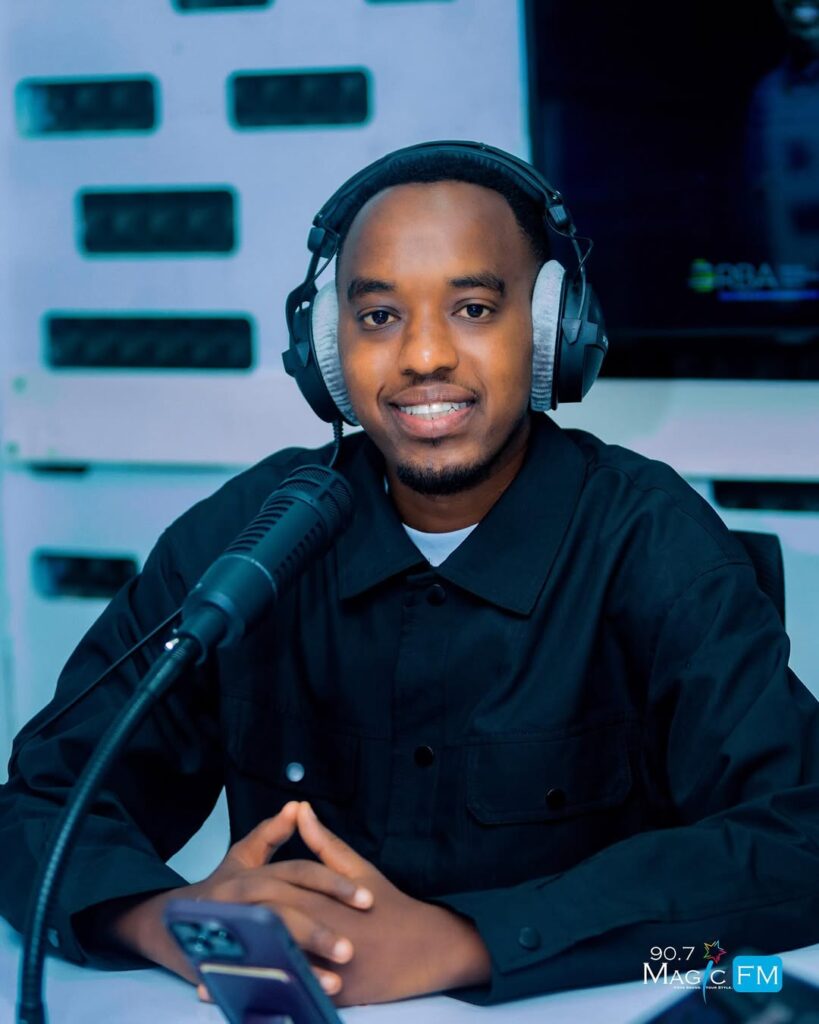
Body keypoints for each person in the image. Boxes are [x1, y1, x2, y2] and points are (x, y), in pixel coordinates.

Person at [1, 141, 818, 1009]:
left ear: (551, 333)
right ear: (326, 350)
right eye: (380, 316)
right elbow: (40, 803)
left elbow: (798, 842)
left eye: (473, 308)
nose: (423, 355)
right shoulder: (245, 539)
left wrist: (466, 943)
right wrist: (164, 919)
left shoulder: (652, 541)